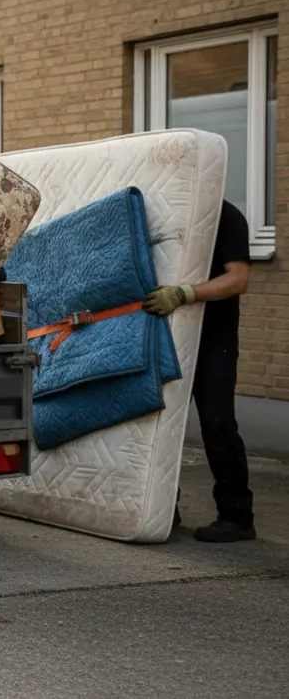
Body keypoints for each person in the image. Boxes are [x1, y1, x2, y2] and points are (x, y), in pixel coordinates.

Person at [144, 199, 255, 542]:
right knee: (160, 426)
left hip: (213, 341)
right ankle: (163, 509)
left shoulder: (227, 216)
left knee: (217, 424)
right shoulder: (164, 210)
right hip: (167, 335)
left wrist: (185, 294)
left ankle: (237, 518)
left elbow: (238, 279)